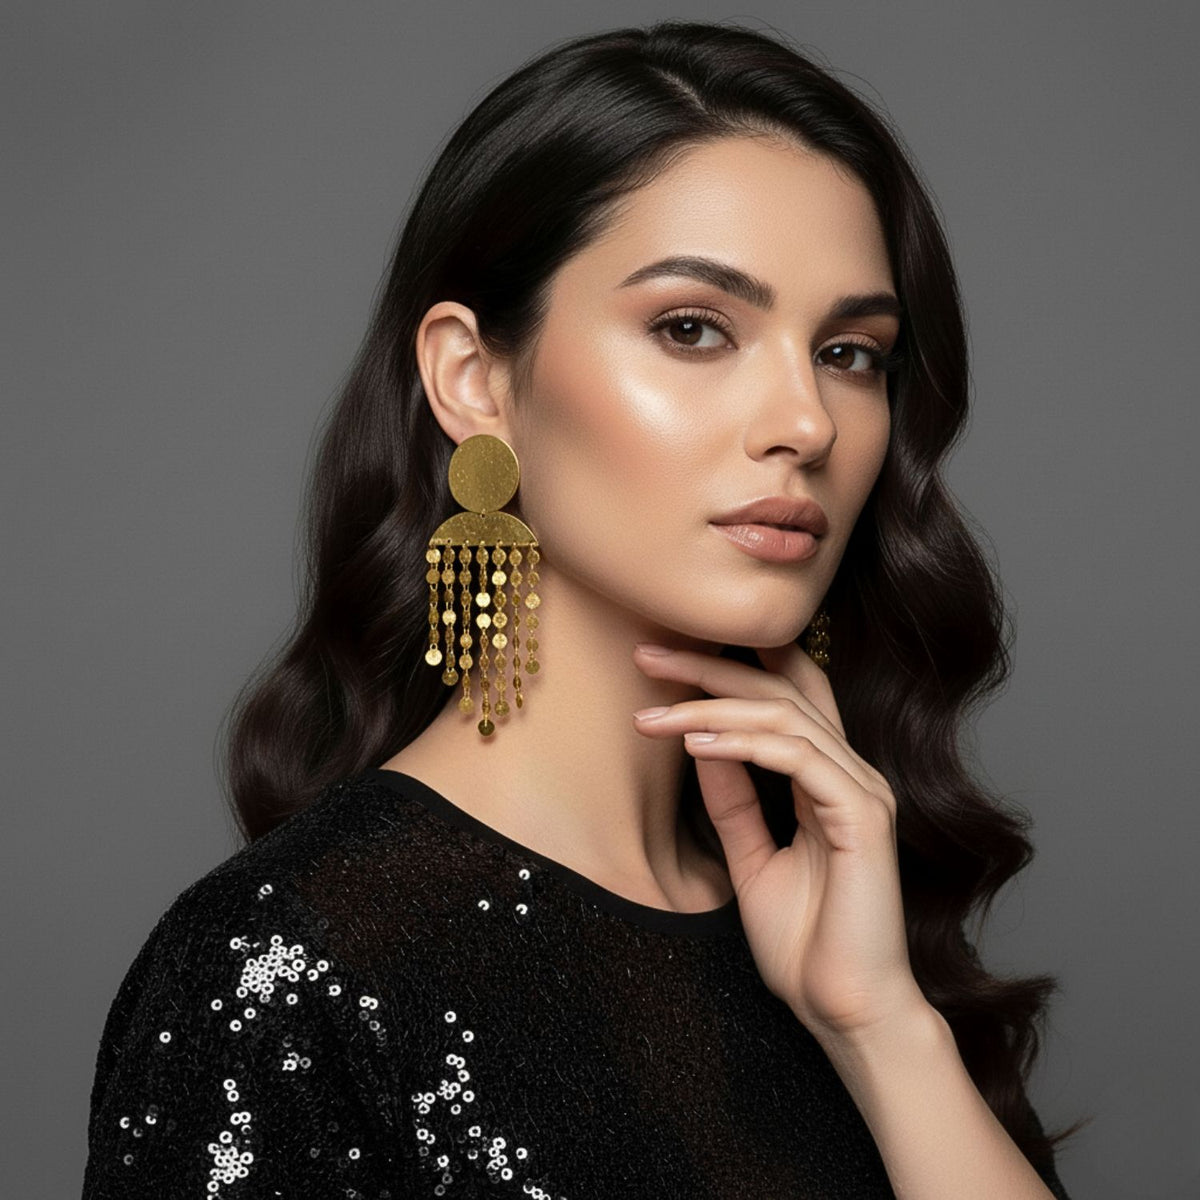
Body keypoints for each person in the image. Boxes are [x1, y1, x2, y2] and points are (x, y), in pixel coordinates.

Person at [81, 19, 1085, 1198]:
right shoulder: (286, 964)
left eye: (852, 353)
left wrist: (878, 1026)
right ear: (475, 379)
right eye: (694, 329)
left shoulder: (842, 935)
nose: (806, 423)